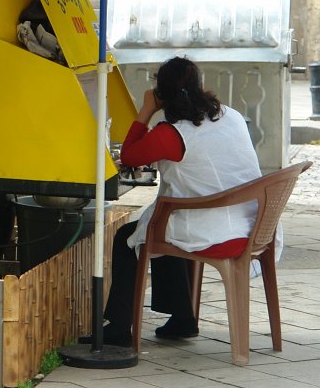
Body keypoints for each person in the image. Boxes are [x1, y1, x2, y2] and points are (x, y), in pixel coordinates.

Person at [90, 57, 263, 348]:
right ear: (199, 85)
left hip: (215, 228)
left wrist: (146, 110)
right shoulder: (230, 115)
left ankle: (118, 329)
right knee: (161, 221)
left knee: (130, 237)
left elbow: (130, 156)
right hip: (250, 221)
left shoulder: (171, 134)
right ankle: (182, 318)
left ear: (162, 94)